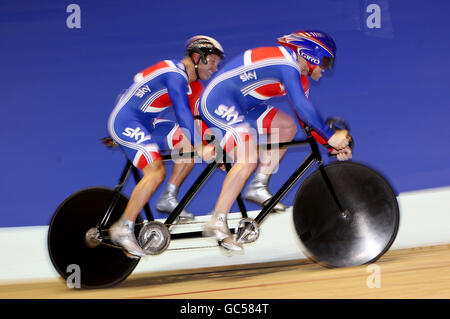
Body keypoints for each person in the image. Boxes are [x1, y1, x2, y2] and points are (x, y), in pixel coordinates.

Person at [197, 30, 352, 251]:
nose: (325, 69)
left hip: (242, 107)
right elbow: (302, 106)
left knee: (286, 126)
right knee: (248, 157)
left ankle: (258, 186)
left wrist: (331, 144)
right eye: (325, 61)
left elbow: (305, 119)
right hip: (217, 101)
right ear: (312, 55)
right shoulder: (286, 64)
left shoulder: (298, 78)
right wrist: (330, 136)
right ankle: (217, 220)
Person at [107, 35, 224, 258]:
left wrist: (217, 151)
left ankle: (168, 197)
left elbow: (198, 120)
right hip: (126, 121)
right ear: (197, 58)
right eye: (213, 62)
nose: (216, 68)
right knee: (156, 171)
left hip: (147, 123)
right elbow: (182, 112)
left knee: (186, 145)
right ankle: (123, 227)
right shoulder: (175, 73)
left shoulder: (192, 84)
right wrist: (200, 146)